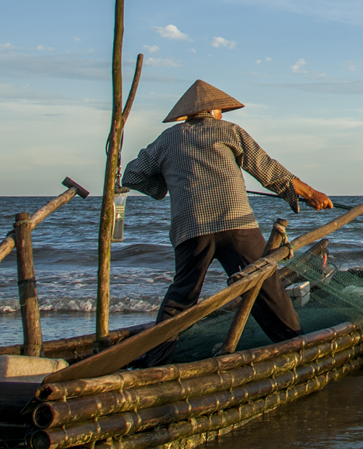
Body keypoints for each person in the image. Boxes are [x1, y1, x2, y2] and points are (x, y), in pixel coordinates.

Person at [122, 79, 332, 365]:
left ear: (188, 114)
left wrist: (166, 185)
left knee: (181, 298)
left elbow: (132, 175)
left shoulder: (166, 140)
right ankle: (296, 346)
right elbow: (268, 169)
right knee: (264, 286)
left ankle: (157, 362)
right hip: (236, 224)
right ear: (215, 110)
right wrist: (311, 193)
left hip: (191, 230)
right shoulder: (229, 131)